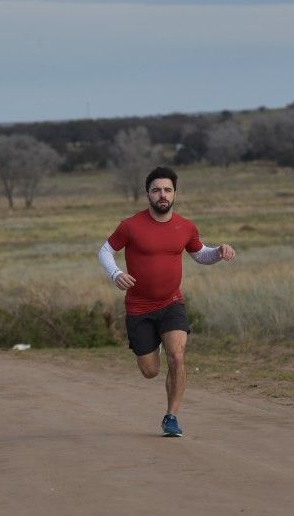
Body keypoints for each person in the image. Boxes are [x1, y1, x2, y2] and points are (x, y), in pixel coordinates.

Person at [97, 166, 236, 437]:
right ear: (147, 194)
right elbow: (105, 251)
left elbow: (200, 254)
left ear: (175, 193)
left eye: (167, 190)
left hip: (171, 303)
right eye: (157, 190)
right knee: (150, 371)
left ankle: (171, 417)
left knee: (178, 357)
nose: (163, 195)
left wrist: (218, 252)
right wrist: (115, 274)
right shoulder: (130, 226)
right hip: (138, 308)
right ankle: (153, 346)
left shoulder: (185, 226)